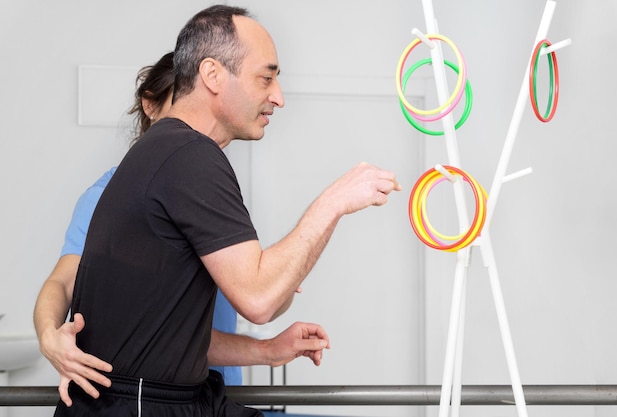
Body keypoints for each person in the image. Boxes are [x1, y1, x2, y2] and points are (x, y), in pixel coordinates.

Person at [51, 4, 401, 416]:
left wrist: (268, 350)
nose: (279, 97)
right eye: (266, 78)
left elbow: (166, 333)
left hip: (171, 396)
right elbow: (259, 299)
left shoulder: (165, 152)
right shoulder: (189, 154)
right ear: (213, 76)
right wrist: (334, 201)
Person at [34, 51, 330, 410]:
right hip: (152, 394)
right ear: (151, 106)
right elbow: (64, 282)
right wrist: (49, 336)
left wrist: (278, 294)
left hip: (202, 389)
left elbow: (244, 306)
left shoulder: (209, 191)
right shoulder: (108, 198)